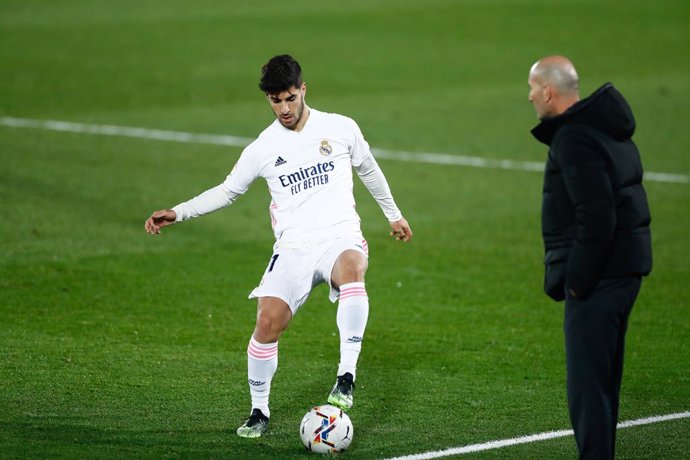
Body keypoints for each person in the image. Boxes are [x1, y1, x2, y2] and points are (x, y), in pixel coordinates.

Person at [145, 54, 413, 438]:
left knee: (353, 269)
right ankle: (259, 411)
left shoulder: (339, 128)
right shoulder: (262, 148)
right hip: (293, 249)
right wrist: (179, 212)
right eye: (275, 101)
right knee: (267, 322)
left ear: (303, 90)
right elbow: (228, 190)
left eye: (289, 98)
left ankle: (346, 376)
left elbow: (368, 167)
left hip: (340, 236)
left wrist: (393, 214)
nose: (284, 109)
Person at [527, 55, 652, 459]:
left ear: (548, 90)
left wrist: (577, 280)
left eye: (532, 88)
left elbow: (597, 216)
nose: (530, 97)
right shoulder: (605, 130)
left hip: (600, 278)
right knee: (603, 382)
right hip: (625, 270)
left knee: (588, 387)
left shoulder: (575, 139)